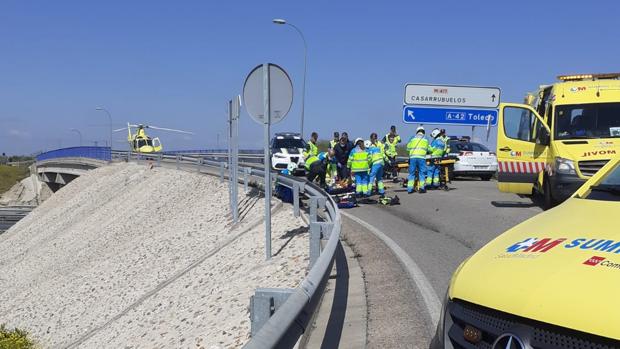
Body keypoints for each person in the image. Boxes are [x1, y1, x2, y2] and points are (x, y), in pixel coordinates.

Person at [406, 126, 430, 194]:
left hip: (413, 158)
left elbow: (407, 148)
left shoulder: (412, 138)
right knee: (422, 173)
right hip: (422, 158)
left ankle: (410, 189)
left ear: (417, 131)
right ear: (423, 132)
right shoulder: (426, 139)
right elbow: (428, 149)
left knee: (412, 173)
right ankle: (422, 188)